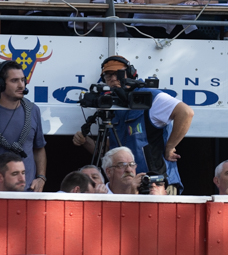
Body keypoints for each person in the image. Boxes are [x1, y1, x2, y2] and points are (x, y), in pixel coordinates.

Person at [72, 56, 193, 192]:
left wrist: (170, 147)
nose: (112, 78)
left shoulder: (148, 95)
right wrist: (85, 141)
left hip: (157, 185)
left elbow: (186, 112)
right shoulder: (113, 105)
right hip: (128, 188)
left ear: (130, 73)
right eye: (107, 75)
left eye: (117, 73)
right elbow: (109, 152)